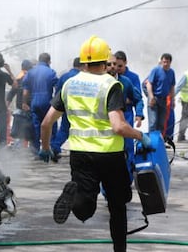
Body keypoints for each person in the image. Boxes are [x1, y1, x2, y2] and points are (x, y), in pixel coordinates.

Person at [39, 35, 150, 252]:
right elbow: (118, 127)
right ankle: (120, 250)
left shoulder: (69, 84)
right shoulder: (111, 85)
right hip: (110, 154)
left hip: (80, 154)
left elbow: (46, 123)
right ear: (104, 61)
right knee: (118, 206)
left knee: (84, 210)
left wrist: (45, 149)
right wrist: (139, 136)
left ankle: (74, 197)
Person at [107, 53, 144, 183]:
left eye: (115, 65)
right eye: (109, 65)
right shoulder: (98, 83)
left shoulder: (126, 82)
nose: (113, 67)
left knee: (127, 152)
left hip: (125, 118)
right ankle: (107, 191)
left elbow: (138, 99)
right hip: (105, 125)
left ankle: (127, 182)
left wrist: (139, 115)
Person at [22, 52, 58, 157]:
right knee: (51, 124)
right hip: (47, 101)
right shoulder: (51, 72)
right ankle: (50, 148)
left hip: (34, 102)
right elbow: (57, 88)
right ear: (48, 61)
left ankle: (35, 150)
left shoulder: (31, 72)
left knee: (36, 126)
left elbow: (25, 91)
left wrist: (24, 103)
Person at [49, 57, 82, 162]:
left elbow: (58, 92)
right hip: (81, 108)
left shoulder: (64, 76)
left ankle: (54, 147)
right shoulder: (83, 77)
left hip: (67, 106)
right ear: (83, 66)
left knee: (64, 129)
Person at [144, 53, 175, 134]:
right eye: (164, 62)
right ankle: (152, 143)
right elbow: (148, 84)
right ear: (161, 61)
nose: (165, 64)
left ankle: (159, 142)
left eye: (167, 62)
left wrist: (173, 100)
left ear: (170, 62)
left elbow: (172, 87)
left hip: (164, 100)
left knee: (161, 123)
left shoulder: (171, 73)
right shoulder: (156, 70)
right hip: (154, 99)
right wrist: (151, 97)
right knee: (153, 122)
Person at [6, 59, 34, 149]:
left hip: (21, 110)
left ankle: (19, 148)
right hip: (30, 109)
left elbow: (11, 94)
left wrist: (6, 106)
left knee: (19, 134)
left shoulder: (19, 78)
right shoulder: (33, 78)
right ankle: (32, 149)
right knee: (31, 132)